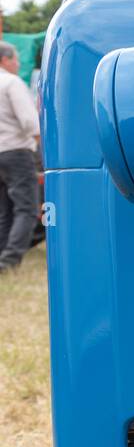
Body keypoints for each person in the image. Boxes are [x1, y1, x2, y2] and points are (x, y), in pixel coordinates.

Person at [0, 41, 41, 273]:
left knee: (4, 210)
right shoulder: (11, 82)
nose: (17, 64)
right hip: (16, 152)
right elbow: (30, 122)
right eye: (15, 59)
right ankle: (9, 261)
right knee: (26, 209)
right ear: (5, 60)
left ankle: (2, 254)